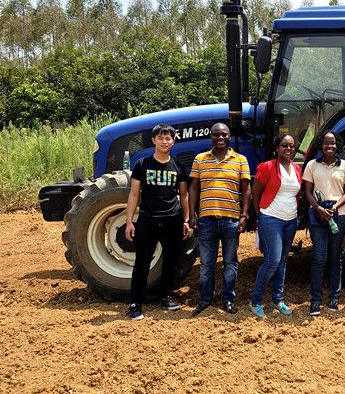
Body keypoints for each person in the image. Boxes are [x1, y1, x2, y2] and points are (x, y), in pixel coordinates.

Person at [124, 124, 192, 321]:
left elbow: (184, 194)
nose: (165, 142)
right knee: (142, 262)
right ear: (154, 140)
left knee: (171, 261)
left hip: (173, 219)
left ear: (173, 141)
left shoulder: (178, 166)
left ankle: (167, 296)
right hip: (148, 220)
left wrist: (186, 220)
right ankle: (136, 302)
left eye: (168, 138)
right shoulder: (142, 164)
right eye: (161, 138)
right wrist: (129, 221)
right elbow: (134, 194)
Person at [188, 122, 252, 316]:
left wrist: (244, 215)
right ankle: (205, 299)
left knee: (230, 262)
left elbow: (246, 189)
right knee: (206, 263)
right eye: (216, 135)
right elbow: (193, 187)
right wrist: (192, 213)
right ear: (211, 137)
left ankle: (228, 299)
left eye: (224, 134)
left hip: (231, 219)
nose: (221, 138)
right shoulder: (200, 159)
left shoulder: (240, 160)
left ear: (229, 136)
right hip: (207, 219)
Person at [302, 131, 345, 316]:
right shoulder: (311, 165)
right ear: (321, 145)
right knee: (318, 257)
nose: (329, 146)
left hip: (338, 215)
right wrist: (319, 209)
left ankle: (334, 297)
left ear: (337, 145)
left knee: (335, 257)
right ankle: (315, 300)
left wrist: (334, 206)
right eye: (326, 143)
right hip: (318, 216)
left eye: (332, 143)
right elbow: (307, 192)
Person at [249, 133, 302, 319]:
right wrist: (260, 214)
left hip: (290, 220)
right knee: (272, 261)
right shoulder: (267, 167)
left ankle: (277, 300)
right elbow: (256, 193)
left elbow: (295, 194)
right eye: (284, 145)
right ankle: (255, 301)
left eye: (291, 146)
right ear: (276, 148)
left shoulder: (296, 169)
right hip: (271, 218)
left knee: (283, 261)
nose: (288, 149)